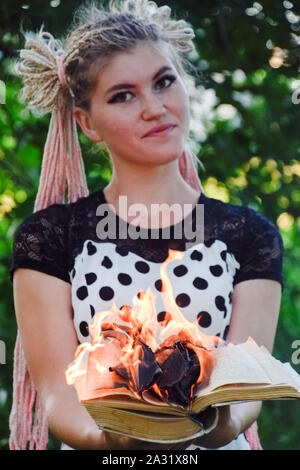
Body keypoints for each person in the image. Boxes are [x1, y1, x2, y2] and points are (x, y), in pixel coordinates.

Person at [9, 0, 284, 450]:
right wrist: (114, 440)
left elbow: (246, 384)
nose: (155, 108)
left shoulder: (249, 235)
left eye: (164, 82)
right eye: (123, 95)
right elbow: (58, 394)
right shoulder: (50, 237)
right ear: (87, 123)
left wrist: (213, 427)